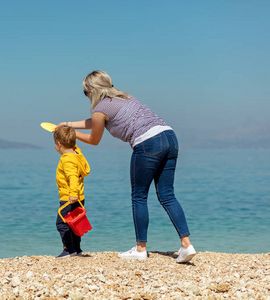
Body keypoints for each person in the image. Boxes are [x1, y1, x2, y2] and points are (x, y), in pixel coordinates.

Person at [57, 70, 196, 263]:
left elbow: (94, 138)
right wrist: (68, 124)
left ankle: (140, 249)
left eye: (85, 92)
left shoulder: (100, 109)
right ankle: (186, 245)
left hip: (147, 143)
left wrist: (69, 134)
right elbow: (98, 122)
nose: (86, 96)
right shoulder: (126, 97)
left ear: (91, 90)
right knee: (167, 195)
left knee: (139, 196)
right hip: (169, 137)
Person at [53, 125, 91, 258]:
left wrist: (73, 194)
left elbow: (73, 177)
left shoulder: (67, 159)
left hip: (70, 197)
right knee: (75, 223)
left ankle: (69, 249)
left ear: (59, 144)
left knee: (61, 223)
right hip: (80, 197)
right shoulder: (77, 155)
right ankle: (77, 249)